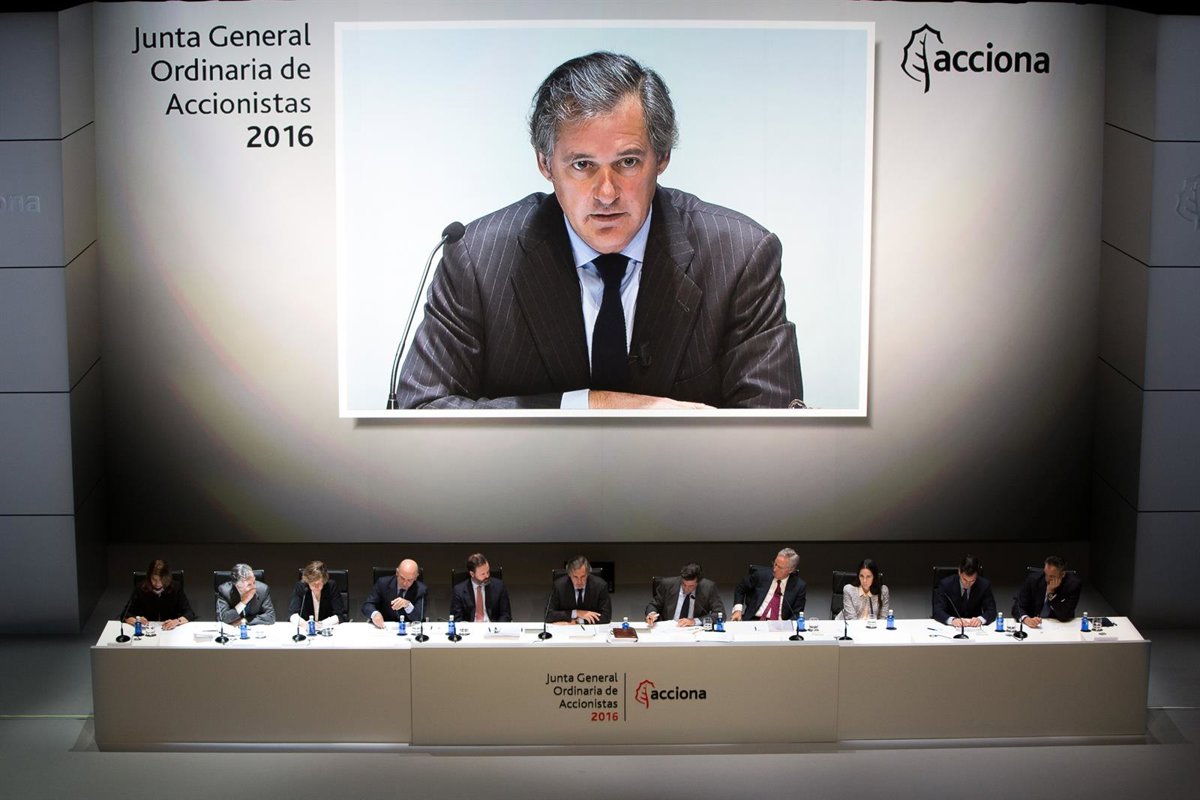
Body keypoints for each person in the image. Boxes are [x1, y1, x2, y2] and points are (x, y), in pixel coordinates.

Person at [396, 50, 803, 410]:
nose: (606, 193)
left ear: (662, 158)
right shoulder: (477, 260)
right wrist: (593, 404)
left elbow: (774, 432)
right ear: (545, 164)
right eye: (582, 165)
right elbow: (423, 408)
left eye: (627, 162)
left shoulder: (740, 257)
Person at [731, 548, 807, 621]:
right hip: (754, 620)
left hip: (780, 624)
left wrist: (786, 626)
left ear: (791, 570)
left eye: (780, 567)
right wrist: (737, 610)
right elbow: (740, 588)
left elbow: (796, 614)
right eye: (775, 564)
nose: (775, 569)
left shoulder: (799, 586)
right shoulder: (761, 574)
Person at [645, 562, 725, 627]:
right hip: (669, 630)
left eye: (691, 586)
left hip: (694, 630)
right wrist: (651, 614)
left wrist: (694, 621)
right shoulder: (667, 584)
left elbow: (720, 614)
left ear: (698, 582)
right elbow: (653, 605)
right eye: (684, 584)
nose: (686, 589)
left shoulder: (708, 588)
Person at [123, 559, 195, 630]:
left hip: (170, 630)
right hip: (147, 630)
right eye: (154, 579)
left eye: (161, 580)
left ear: (167, 578)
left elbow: (189, 613)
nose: (158, 584)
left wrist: (177, 621)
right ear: (149, 577)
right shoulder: (140, 588)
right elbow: (125, 614)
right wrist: (136, 620)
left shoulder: (176, 587)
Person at [1014, 556, 1082, 627]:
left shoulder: (1072, 585)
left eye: (1051, 576)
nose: (1047, 579)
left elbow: (1065, 616)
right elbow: (1018, 606)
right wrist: (1026, 619)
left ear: (1062, 574)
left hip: (1058, 625)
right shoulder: (1033, 579)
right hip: (1034, 625)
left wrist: (1050, 594)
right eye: (1046, 574)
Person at [933, 555, 996, 627]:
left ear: (977, 575)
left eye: (972, 581)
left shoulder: (984, 585)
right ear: (959, 572)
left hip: (974, 627)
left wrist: (980, 619)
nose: (968, 584)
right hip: (952, 627)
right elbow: (937, 611)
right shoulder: (946, 584)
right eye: (965, 580)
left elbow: (991, 611)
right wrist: (952, 620)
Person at [546, 555, 612, 624]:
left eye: (583, 577)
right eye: (575, 577)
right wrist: (576, 613)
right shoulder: (559, 586)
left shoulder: (600, 586)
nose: (579, 582)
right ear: (569, 574)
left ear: (588, 574)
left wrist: (578, 621)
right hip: (566, 629)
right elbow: (548, 615)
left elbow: (606, 616)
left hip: (591, 628)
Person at [363, 559, 427, 628]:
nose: (405, 583)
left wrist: (407, 605)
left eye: (409, 580)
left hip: (409, 627)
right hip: (385, 625)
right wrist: (374, 614)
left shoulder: (421, 589)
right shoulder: (382, 583)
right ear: (397, 572)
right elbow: (367, 605)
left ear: (416, 577)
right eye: (402, 578)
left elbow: (419, 617)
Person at [450, 553, 513, 623]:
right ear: (472, 574)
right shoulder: (459, 591)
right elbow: (457, 619)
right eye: (483, 574)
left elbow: (506, 615)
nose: (487, 576)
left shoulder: (499, 586)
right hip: (470, 627)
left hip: (492, 626)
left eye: (488, 572)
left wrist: (496, 628)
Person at [288, 561, 348, 628]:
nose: (316, 586)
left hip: (327, 628)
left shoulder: (331, 587)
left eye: (319, 583)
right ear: (307, 581)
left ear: (324, 580)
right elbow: (292, 614)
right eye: (313, 584)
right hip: (306, 629)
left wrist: (321, 624)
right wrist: (303, 623)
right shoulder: (301, 587)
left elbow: (340, 615)